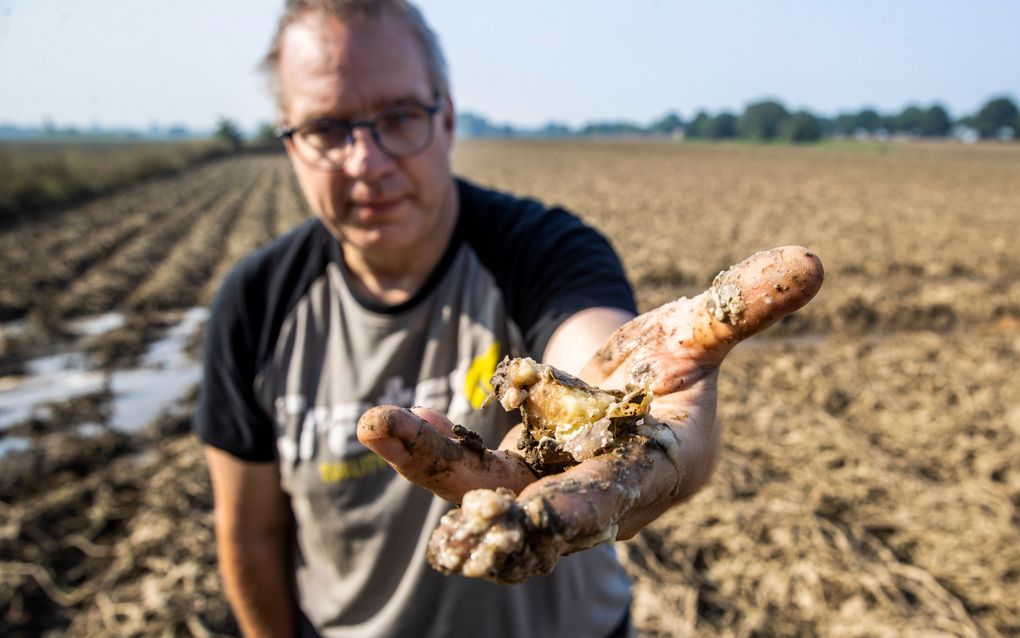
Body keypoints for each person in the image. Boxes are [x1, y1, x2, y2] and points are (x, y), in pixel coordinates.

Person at [195, 1, 823, 636]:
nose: (367, 161)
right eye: (327, 128)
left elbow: (599, 353)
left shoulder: (542, 250)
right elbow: (250, 537)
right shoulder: (256, 305)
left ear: (445, 118)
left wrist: (645, 426)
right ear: (289, 140)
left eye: (399, 116)